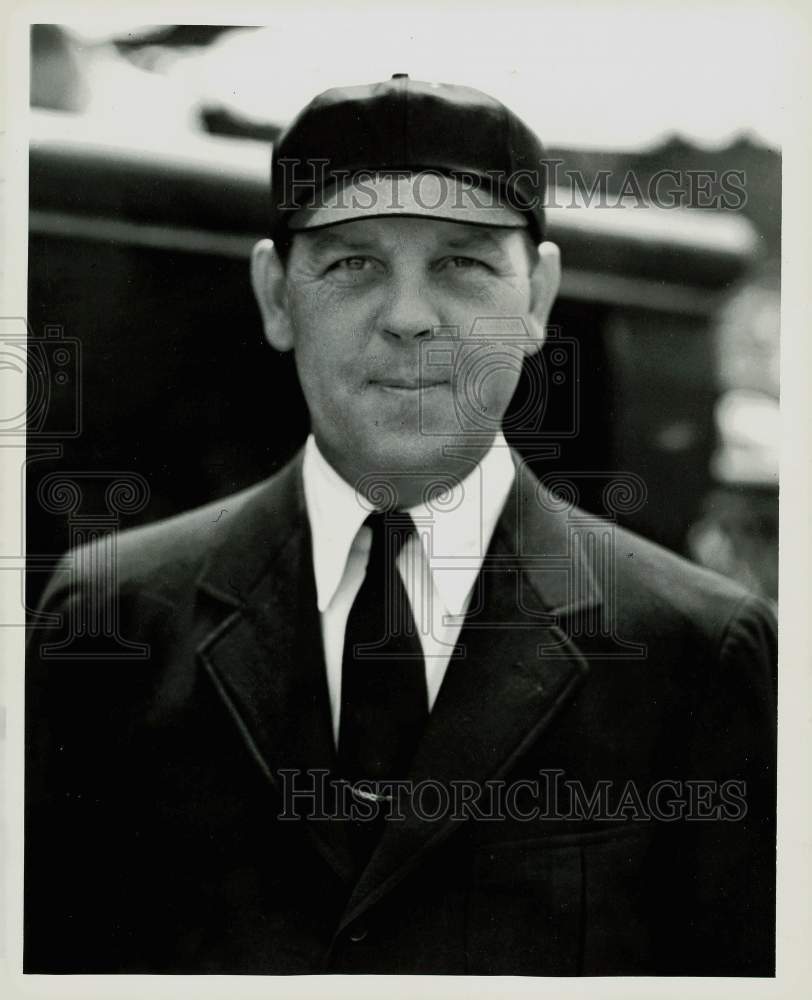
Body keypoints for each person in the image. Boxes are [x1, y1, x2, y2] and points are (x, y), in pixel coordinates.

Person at [25, 75, 777, 977]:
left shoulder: (696, 650)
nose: (410, 319)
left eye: (462, 263)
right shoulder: (114, 616)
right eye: (353, 264)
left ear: (536, 300)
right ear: (275, 295)